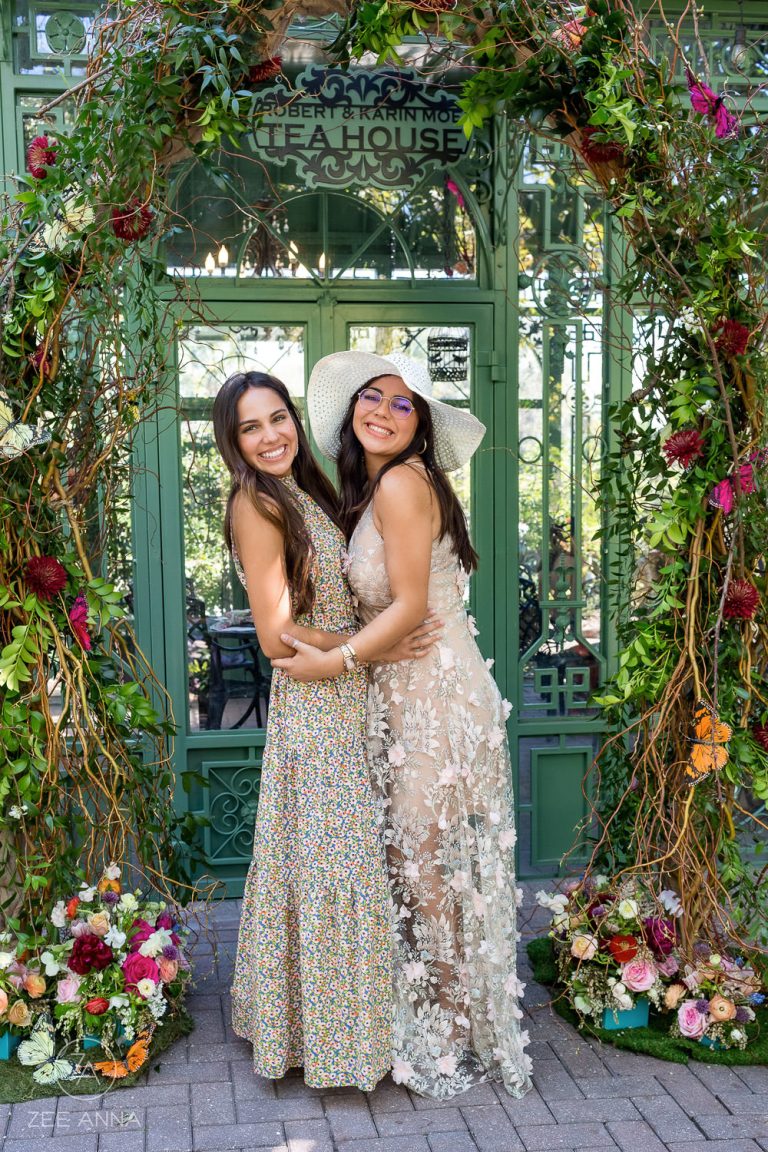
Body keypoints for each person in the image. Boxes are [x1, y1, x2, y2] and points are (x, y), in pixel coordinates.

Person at [274, 351, 533, 1100]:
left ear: (421, 428)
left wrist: (338, 662)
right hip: (406, 689)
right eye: (372, 398)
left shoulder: (400, 481)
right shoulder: (378, 491)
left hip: (438, 699)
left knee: (428, 869)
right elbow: (382, 614)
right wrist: (320, 642)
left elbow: (411, 607)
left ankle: (452, 1027)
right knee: (424, 867)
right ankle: (444, 1009)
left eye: (403, 404)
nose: (382, 411)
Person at [213, 369, 437, 1091]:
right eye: (252, 427)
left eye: (278, 418)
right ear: (233, 441)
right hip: (316, 710)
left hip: (340, 699)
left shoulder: (301, 492)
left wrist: (362, 648)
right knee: (335, 872)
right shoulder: (255, 503)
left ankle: (328, 1029)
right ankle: (339, 1047)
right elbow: (276, 637)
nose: (271, 435)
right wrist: (367, 644)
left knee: (333, 868)